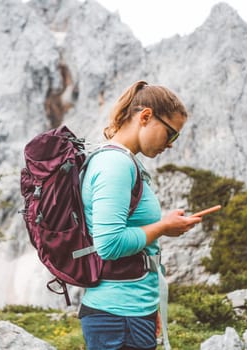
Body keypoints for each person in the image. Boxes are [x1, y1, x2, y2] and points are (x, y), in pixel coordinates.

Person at [78, 80, 202, 350]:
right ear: (145, 117)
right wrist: (163, 227)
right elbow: (109, 244)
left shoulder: (123, 161)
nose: (170, 144)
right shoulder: (115, 164)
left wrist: (148, 307)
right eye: (171, 134)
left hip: (130, 313)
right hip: (118, 317)